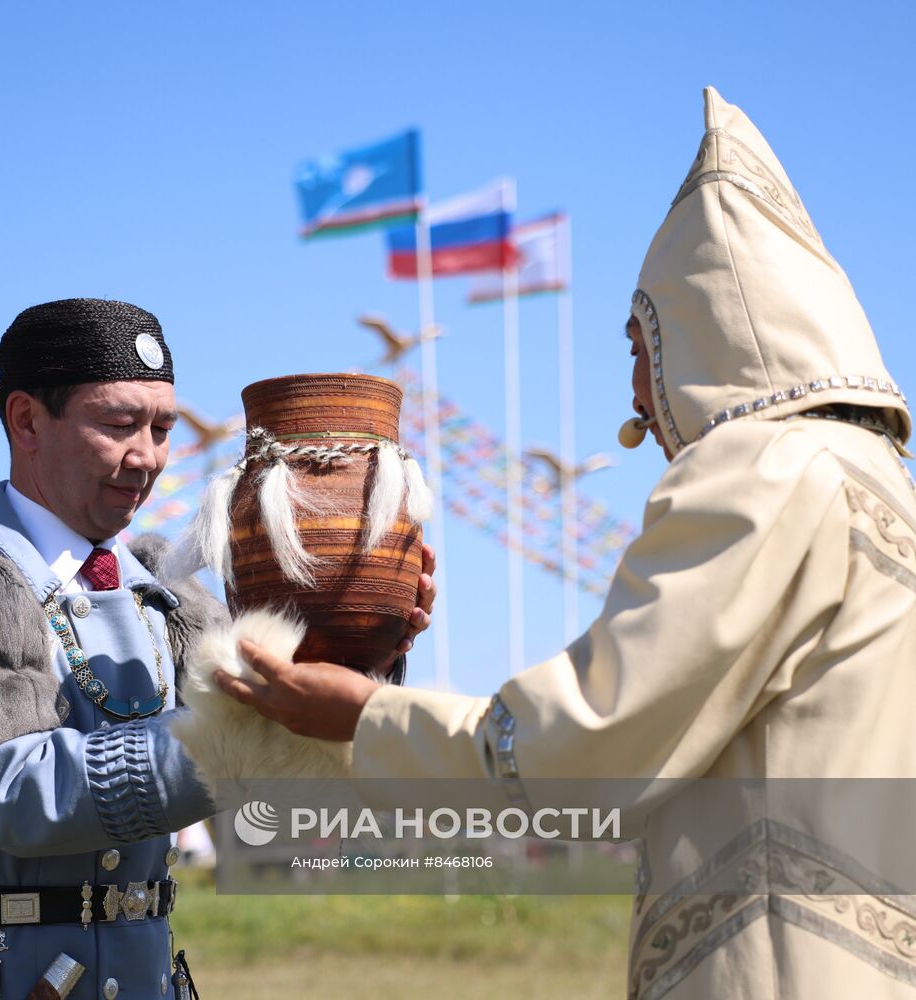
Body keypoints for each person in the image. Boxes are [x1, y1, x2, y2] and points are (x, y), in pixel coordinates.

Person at [215, 88, 916, 999]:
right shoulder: (879, 482)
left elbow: (589, 746)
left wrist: (362, 715)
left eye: (637, 344)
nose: (633, 394)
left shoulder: (765, 468)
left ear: (696, 332)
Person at [0, 297, 435, 1000]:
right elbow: (15, 794)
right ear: (26, 420)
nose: (148, 456)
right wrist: (241, 726)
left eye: (161, 428)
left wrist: (354, 656)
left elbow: (278, 777)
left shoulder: (168, 582)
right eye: (119, 424)